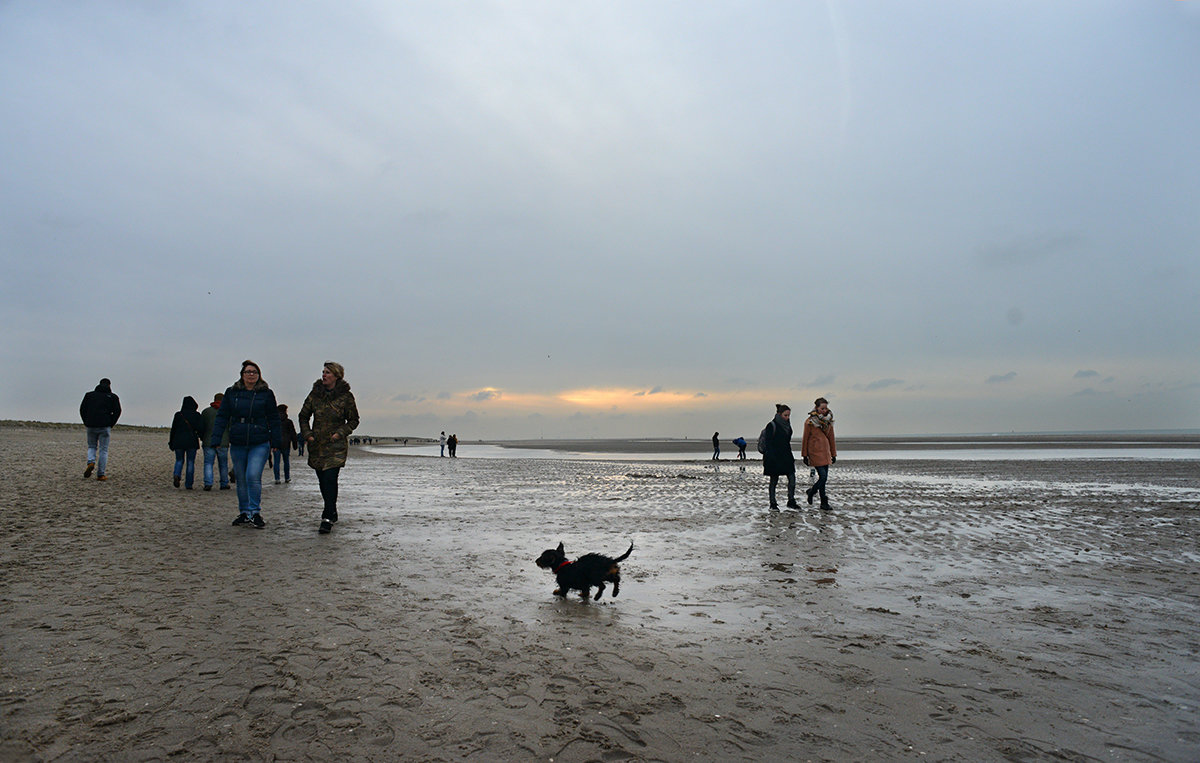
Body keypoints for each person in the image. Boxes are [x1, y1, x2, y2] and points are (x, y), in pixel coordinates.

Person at [210, 360, 282, 528]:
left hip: (260, 440)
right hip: (238, 440)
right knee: (241, 478)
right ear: (242, 375)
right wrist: (217, 438)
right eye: (248, 372)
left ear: (259, 375)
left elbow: (273, 418)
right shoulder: (232, 393)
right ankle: (244, 512)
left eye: (254, 372)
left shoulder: (266, 393)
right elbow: (222, 417)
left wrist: (276, 440)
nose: (251, 375)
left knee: (252, 475)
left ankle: (255, 512)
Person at [299, 362, 360, 534]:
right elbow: (303, 416)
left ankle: (327, 516)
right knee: (322, 479)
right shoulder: (314, 395)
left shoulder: (346, 397)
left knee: (330, 479)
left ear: (336, 376)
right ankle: (332, 510)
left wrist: (340, 433)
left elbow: (354, 420)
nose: (324, 375)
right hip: (317, 444)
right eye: (323, 372)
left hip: (336, 445)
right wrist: (307, 434)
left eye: (328, 373)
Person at [79, 378, 121, 481]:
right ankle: (100, 474)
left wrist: (86, 421)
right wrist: (111, 423)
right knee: (103, 450)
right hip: (105, 426)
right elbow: (117, 411)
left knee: (92, 446)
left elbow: (82, 409)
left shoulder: (89, 395)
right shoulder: (112, 397)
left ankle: (91, 462)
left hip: (91, 425)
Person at [802, 397, 838, 510]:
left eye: (826, 408)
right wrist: (804, 455)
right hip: (814, 452)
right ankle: (812, 492)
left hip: (826, 452)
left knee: (824, 479)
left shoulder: (829, 421)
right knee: (822, 477)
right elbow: (805, 439)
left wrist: (833, 454)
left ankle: (823, 502)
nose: (824, 410)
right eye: (822, 408)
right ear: (817, 408)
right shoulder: (810, 422)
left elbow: (831, 438)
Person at [762, 403, 799, 510]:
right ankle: (773, 503)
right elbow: (768, 443)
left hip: (786, 456)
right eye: (785, 415)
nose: (787, 418)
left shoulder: (788, 426)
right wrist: (771, 456)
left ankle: (791, 500)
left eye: (788, 416)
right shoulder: (771, 425)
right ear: (779, 414)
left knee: (792, 479)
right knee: (774, 481)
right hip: (774, 457)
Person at [168, 396, 204, 489]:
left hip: (178, 441)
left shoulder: (178, 415)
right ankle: (188, 484)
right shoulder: (196, 415)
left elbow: (173, 430)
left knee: (179, 460)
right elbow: (200, 428)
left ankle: (177, 474)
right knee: (190, 462)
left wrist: (171, 442)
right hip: (191, 441)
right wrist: (202, 437)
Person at [200, 393, 231, 491]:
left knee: (208, 463)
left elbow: (202, 427)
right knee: (223, 464)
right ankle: (224, 483)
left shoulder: (206, 412)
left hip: (208, 441)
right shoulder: (228, 412)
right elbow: (230, 427)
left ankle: (208, 482)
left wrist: (202, 437)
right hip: (223, 441)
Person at [273, 404, 299, 484]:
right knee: (286, 461)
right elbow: (293, 433)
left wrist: (272, 444)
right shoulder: (289, 422)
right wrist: (295, 444)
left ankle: (277, 479)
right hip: (286, 443)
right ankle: (287, 477)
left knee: (276, 462)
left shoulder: (274, 421)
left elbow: (272, 433)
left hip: (276, 444)